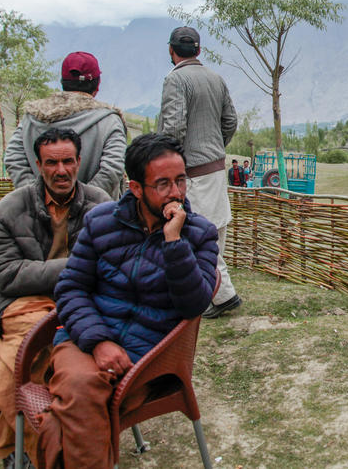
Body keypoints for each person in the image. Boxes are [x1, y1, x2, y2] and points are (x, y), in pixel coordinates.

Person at [36, 133, 219, 468]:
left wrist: (174, 243)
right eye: (162, 184)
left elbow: (194, 306)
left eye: (180, 181)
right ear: (136, 188)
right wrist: (99, 341)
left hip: (149, 356)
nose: (175, 193)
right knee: (81, 387)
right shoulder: (101, 222)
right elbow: (71, 288)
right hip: (86, 341)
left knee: (65, 412)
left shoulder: (200, 235)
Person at [0, 128, 110, 469]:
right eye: (51, 163)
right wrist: (74, 267)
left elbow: (112, 263)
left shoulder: (101, 205)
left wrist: (76, 278)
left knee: (41, 356)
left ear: (79, 162)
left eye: (67, 161)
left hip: (77, 302)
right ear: (38, 165)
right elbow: (2, 273)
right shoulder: (8, 210)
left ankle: (11, 449)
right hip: (17, 302)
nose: (60, 170)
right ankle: (46, 450)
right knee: (34, 349)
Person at [157, 26, 241, 318]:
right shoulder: (215, 78)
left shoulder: (175, 80)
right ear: (199, 50)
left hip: (190, 170)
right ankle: (220, 292)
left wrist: (169, 167)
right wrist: (215, 147)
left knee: (195, 233)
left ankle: (216, 294)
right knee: (215, 228)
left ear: (171, 50)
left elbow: (173, 128)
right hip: (216, 168)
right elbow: (230, 120)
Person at [4, 51, 128, 198]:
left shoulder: (33, 116)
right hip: (95, 216)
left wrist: (37, 197)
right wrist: (85, 202)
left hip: (39, 218)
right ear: (98, 84)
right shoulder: (109, 121)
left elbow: (13, 157)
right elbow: (113, 168)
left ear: (63, 82)